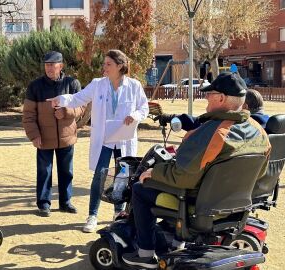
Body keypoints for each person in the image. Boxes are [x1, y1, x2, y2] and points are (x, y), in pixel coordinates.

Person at [124, 72, 271, 269]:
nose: (206, 97)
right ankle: (177, 243)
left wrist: (154, 172)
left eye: (210, 94)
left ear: (221, 98)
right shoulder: (259, 132)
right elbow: (259, 174)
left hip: (199, 206)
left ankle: (146, 253)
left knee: (140, 189)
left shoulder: (212, 132)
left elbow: (182, 176)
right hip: (236, 207)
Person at [47, 49, 149, 232]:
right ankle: (92, 215)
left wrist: (134, 115)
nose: (104, 67)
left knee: (122, 176)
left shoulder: (134, 86)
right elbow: (78, 98)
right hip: (104, 138)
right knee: (99, 176)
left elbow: (144, 108)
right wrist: (61, 100)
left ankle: (119, 213)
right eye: (104, 63)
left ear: (120, 66)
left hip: (124, 137)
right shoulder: (98, 84)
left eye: (108, 64)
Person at [23, 51, 84, 217]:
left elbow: (82, 108)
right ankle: (44, 204)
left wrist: (66, 112)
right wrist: (34, 135)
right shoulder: (35, 86)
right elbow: (28, 115)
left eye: (52, 64)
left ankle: (66, 202)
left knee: (67, 172)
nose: (49, 68)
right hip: (43, 138)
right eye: (46, 65)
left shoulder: (72, 84)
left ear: (61, 66)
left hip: (67, 137)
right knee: (44, 172)